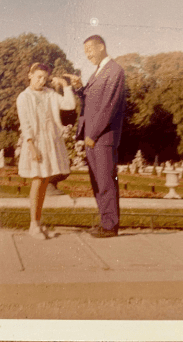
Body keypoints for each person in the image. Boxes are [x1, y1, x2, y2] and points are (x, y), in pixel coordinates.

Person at [66, 35, 126, 238]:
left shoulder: (115, 70)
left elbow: (109, 105)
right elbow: (91, 101)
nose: (88, 55)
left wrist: (93, 134)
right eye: (85, 52)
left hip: (102, 137)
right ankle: (105, 223)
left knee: (106, 182)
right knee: (98, 183)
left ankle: (110, 226)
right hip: (93, 137)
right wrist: (79, 88)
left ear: (102, 46)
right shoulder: (98, 71)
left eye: (90, 50)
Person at [16, 63, 75, 240]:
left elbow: (69, 104)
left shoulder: (50, 94)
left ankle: (38, 224)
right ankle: (33, 225)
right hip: (35, 142)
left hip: (51, 141)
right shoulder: (24, 97)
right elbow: (25, 123)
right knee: (37, 182)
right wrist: (32, 146)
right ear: (30, 75)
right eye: (38, 77)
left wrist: (66, 86)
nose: (41, 81)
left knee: (44, 183)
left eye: (44, 78)